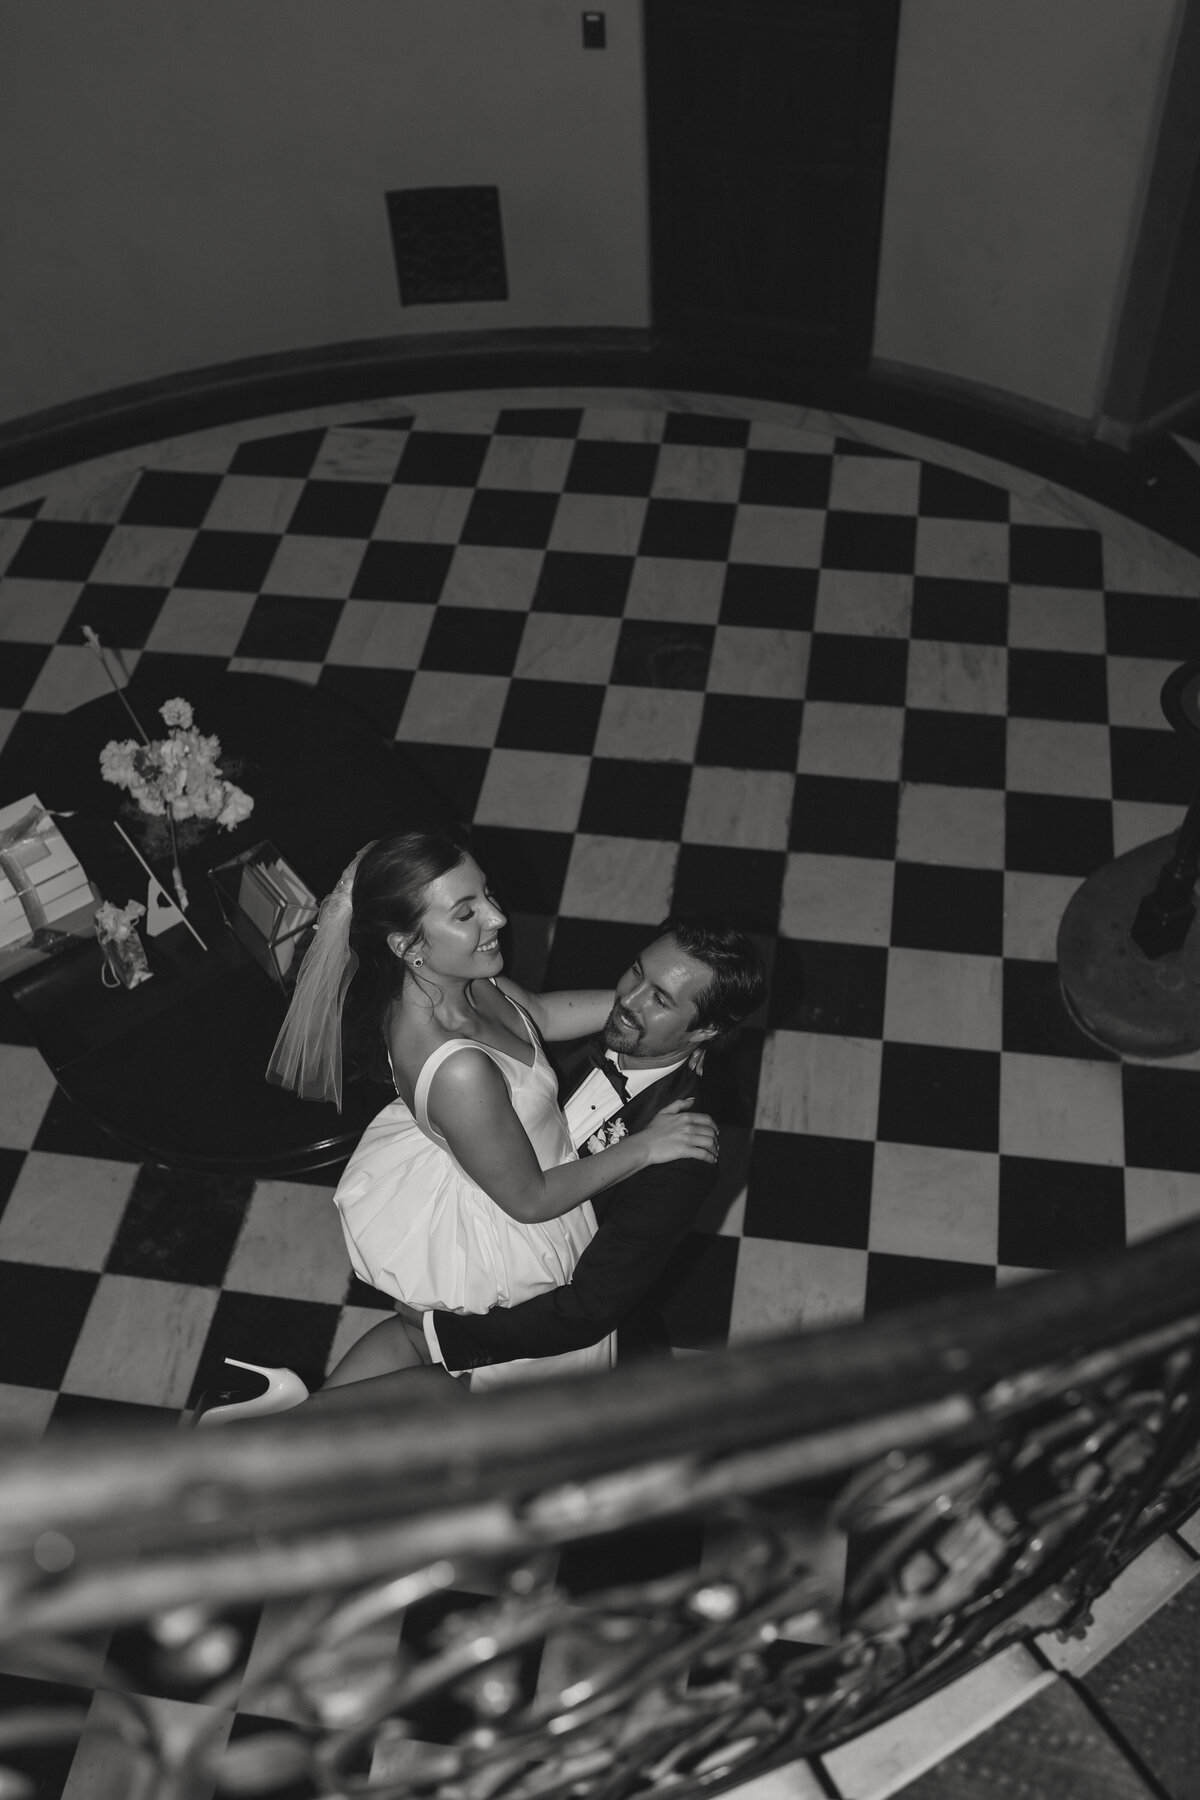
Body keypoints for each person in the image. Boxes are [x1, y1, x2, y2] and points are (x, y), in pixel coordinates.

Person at [193, 830, 719, 1425]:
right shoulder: (459, 1068)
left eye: (486, 894)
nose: (496, 916)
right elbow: (531, 1198)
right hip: (514, 1206)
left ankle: (288, 1415)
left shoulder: (458, 980)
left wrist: (653, 1024)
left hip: (485, 1166)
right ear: (407, 944)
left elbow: (541, 1014)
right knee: (488, 1390)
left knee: (418, 1339)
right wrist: (646, 1147)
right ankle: (281, 1435)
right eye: (466, 913)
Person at [324, 917, 765, 1395]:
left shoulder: (680, 1157)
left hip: (522, 1342)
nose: (628, 1001)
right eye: (636, 972)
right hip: (470, 1256)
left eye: (660, 999)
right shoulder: (573, 1029)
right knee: (320, 1416)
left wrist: (444, 1332)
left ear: (708, 1030)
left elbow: (588, 1309)